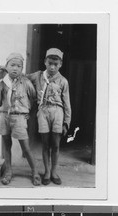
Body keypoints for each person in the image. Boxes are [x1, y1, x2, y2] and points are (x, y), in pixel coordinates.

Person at [0, 53, 41, 186]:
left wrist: (29, 113)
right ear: (7, 66)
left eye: (19, 66)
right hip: (4, 116)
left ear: (22, 68)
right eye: (12, 65)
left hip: (19, 117)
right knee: (6, 145)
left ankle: (35, 171)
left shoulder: (26, 82)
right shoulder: (3, 83)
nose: (15, 68)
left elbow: (34, 98)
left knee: (25, 147)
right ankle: (8, 171)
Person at [27, 48, 71, 185]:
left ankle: (54, 172)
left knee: (56, 145)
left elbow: (67, 103)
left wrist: (66, 122)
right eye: (50, 63)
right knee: (45, 144)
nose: (52, 67)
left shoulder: (63, 81)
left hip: (58, 113)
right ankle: (46, 171)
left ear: (60, 65)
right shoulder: (38, 76)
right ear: (45, 62)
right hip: (43, 112)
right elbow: (23, 77)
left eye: (56, 64)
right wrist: (6, 69)